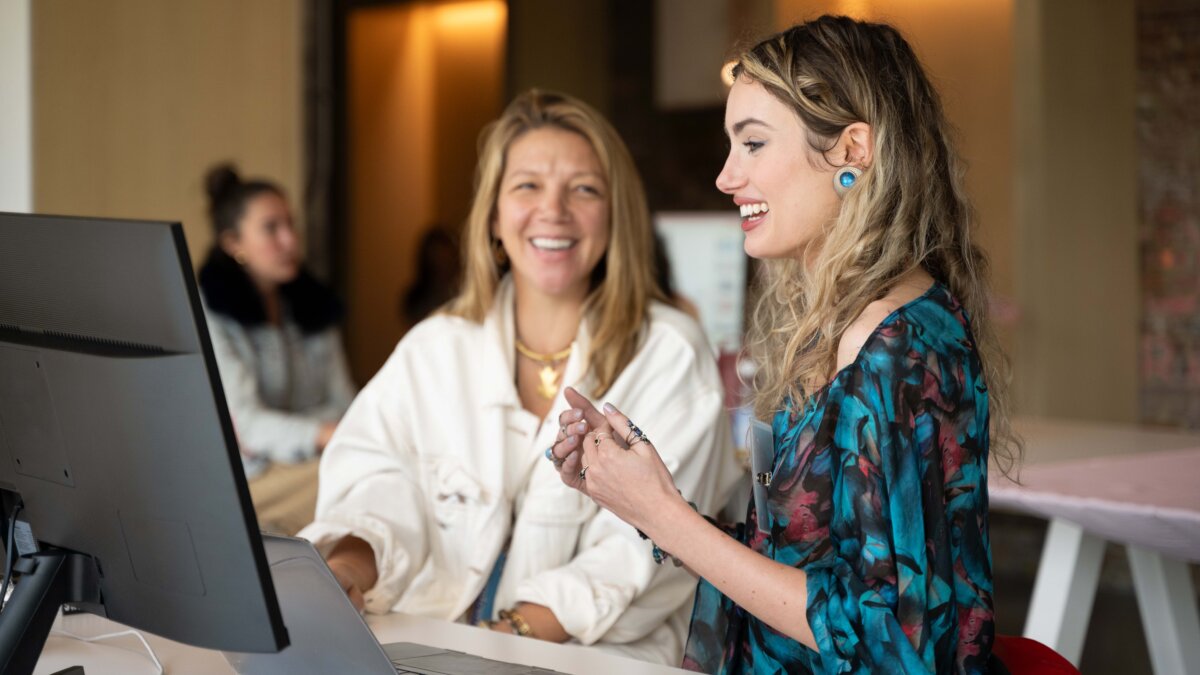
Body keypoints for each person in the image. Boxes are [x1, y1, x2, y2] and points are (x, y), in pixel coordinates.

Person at [550, 16, 1017, 674]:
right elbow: (803, 563)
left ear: (853, 149)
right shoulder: (861, 324)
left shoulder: (896, 345)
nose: (725, 176)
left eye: (754, 144)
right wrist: (640, 495)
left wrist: (663, 515)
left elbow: (894, 641)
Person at [299, 90, 742, 665]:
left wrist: (497, 640)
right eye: (527, 185)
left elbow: (636, 557)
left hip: (589, 658)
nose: (553, 211)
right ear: (492, 214)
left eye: (583, 189)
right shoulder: (436, 346)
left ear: (616, 215)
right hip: (420, 648)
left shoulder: (669, 351)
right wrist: (348, 569)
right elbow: (378, 478)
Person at [199, 163, 356, 536]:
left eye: (291, 225)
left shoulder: (312, 306)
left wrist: (301, 431)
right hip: (242, 479)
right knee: (358, 485)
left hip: (307, 462)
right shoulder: (209, 314)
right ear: (233, 243)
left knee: (369, 477)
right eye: (271, 228)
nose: (289, 240)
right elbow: (246, 426)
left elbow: (346, 404)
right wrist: (320, 432)